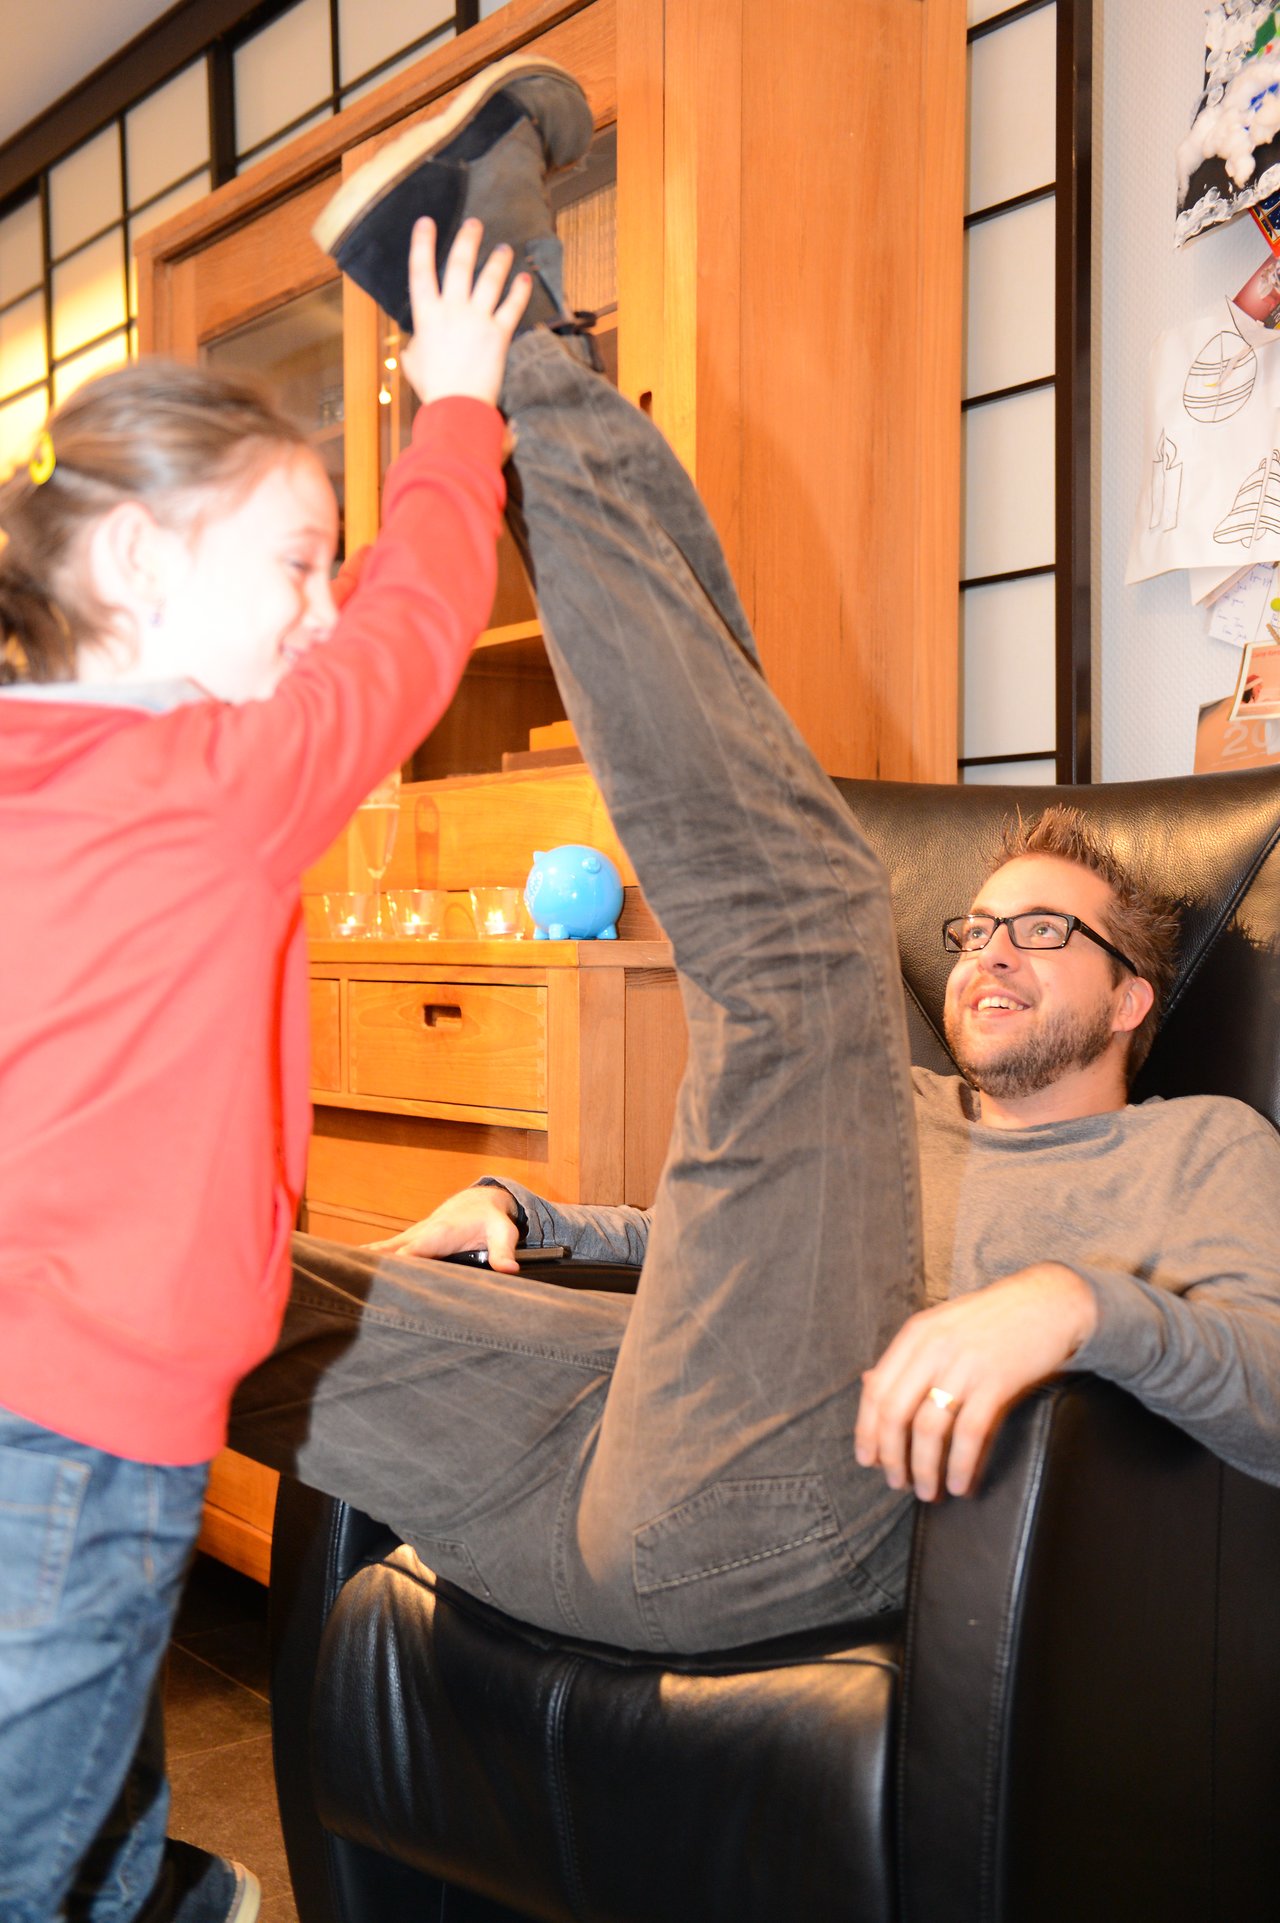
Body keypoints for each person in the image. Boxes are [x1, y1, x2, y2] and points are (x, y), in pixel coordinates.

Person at [224, 55, 1280, 1662]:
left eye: (1041, 934)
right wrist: (536, 1219)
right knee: (204, 1279)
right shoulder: (904, 1116)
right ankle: (525, 332)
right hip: (590, 1450)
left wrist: (1079, 1306)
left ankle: (509, 326)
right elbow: (715, 1272)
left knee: (807, 926)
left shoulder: (1202, 1153)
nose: (983, 949)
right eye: (979, 925)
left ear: (1139, 997)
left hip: (795, 1522)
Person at [0, 209, 533, 1918]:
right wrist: (456, 408)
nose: (325, 613)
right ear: (145, 574)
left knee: (62, 1774)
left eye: (332, 569)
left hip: (66, 1416)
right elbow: (419, 625)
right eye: (299, 562)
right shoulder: (218, 783)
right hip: (91, 1426)